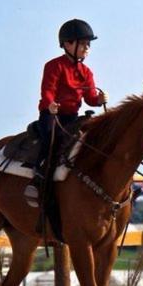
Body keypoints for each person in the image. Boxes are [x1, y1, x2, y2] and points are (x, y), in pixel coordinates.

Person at [25, 19, 106, 204]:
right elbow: (47, 90)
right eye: (83, 43)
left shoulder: (87, 72)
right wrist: (50, 104)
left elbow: (90, 98)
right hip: (51, 114)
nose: (87, 48)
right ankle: (39, 176)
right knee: (51, 139)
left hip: (72, 117)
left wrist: (99, 100)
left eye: (88, 44)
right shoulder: (54, 66)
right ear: (68, 44)